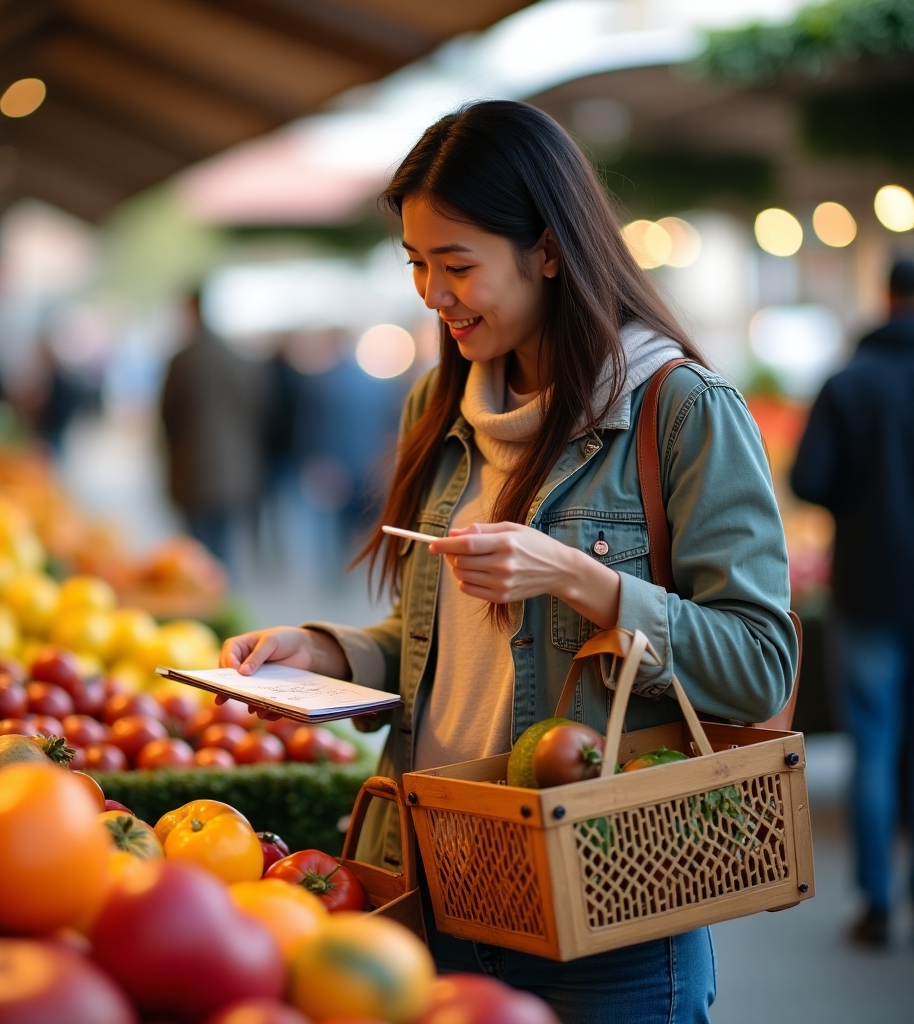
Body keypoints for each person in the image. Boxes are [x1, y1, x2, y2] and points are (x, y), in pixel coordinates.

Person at [219, 101, 797, 1024]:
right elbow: (449, 642)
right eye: (416, 263)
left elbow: (761, 663)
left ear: (550, 250)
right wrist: (326, 652)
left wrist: (580, 576)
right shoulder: (439, 411)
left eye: (457, 264)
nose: (432, 294)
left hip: (609, 906)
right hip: (438, 887)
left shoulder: (681, 410)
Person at [790, 259, 914, 947]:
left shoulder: (850, 383)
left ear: (886, 296)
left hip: (869, 584)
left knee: (873, 743)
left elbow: (809, 478)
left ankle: (875, 904)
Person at [160, 292, 271, 577]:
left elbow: (167, 415)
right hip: (235, 470)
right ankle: (225, 601)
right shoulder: (239, 358)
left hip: (192, 470)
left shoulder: (182, 359)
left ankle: (209, 608)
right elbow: (260, 409)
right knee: (225, 548)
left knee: (196, 554)